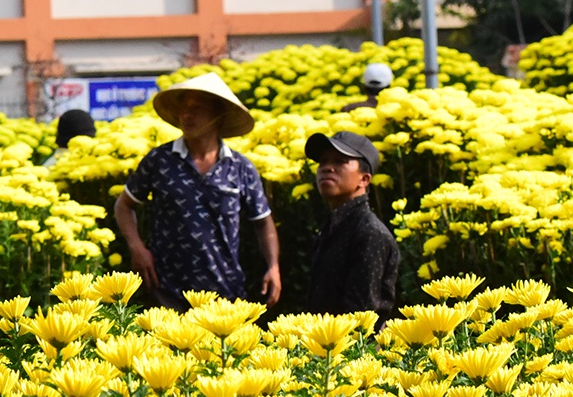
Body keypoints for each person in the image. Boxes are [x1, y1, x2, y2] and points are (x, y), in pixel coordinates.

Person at [113, 73, 280, 309]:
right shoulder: (160, 160)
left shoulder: (240, 168)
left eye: (197, 108)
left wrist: (273, 266)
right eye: (184, 108)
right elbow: (124, 205)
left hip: (225, 292)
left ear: (218, 116)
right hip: (167, 290)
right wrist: (137, 248)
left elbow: (263, 221)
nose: (187, 115)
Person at [302, 130, 399, 320]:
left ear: (364, 179)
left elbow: (361, 315)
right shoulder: (333, 225)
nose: (327, 168)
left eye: (339, 161)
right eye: (323, 161)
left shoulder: (369, 233)